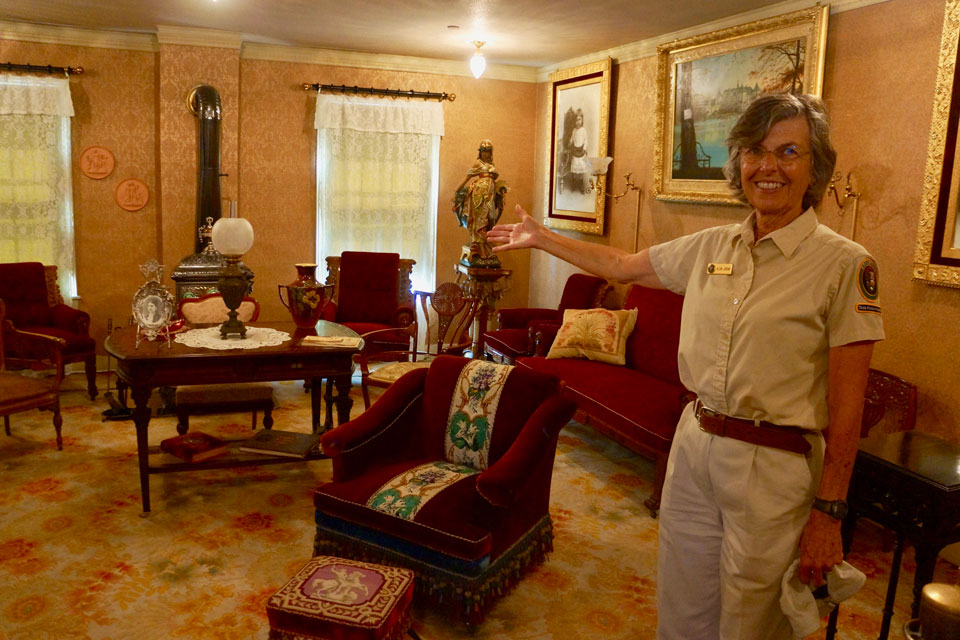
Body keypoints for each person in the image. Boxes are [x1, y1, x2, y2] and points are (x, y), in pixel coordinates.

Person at [487, 93, 884, 639]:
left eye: (789, 152)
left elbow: (848, 404)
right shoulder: (712, 245)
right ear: (738, 162)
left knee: (752, 622)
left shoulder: (844, 265)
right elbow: (622, 264)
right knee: (682, 608)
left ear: (816, 167)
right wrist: (541, 238)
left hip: (774, 463)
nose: (768, 167)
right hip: (694, 445)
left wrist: (830, 510)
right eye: (755, 151)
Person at [453, 139, 509, 267]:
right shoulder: (478, 163)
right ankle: (482, 249)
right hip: (479, 195)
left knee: (491, 219)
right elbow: (467, 177)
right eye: (483, 151)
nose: (485, 154)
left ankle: (486, 246)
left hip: (490, 195)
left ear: (491, 153)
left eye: (488, 151)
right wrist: (455, 191)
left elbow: (494, 182)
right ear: (480, 152)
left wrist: (500, 192)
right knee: (480, 221)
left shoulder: (492, 164)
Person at [568, 109, 590, 194]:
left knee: (580, 171)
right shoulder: (574, 130)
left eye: (579, 119)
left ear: (582, 120)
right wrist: (570, 142)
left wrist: (584, 148)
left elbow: (586, 140)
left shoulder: (583, 130)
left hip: (581, 151)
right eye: (576, 120)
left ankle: (581, 185)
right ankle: (573, 184)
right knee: (574, 170)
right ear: (574, 121)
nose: (578, 122)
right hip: (575, 151)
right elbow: (572, 138)